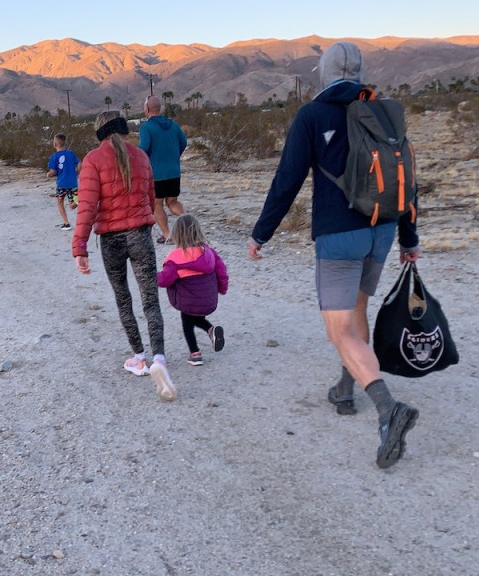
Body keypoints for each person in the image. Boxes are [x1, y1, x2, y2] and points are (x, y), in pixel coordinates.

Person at [248, 42, 421, 469]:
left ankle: (387, 408)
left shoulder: (312, 115)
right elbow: (406, 178)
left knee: (339, 331)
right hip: (382, 229)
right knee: (357, 312)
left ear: (324, 73)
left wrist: (261, 234)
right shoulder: (382, 111)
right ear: (359, 72)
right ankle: (345, 392)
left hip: (339, 236)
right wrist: (409, 238)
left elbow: (287, 180)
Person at [73, 110, 176, 402]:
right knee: (150, 299)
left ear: (100, 133)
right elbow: (150, 198)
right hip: (140, 235)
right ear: (125, 130)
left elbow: (87, 206)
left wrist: (80, 246)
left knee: (123, 298)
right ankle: (159, 359)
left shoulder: (93, 160)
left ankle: (139, 357)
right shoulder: (141, 157)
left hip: (111, 240)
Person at [157, 214, 228, 367]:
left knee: (187, 323)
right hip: (208, 299)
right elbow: (222, 271)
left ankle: (195, 354)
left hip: (188, 301)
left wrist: (151, 276)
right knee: (196, 318)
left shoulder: (175, 258)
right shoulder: (208, 252)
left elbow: (164, 280)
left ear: (176, 235)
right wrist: (222, 289)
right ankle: (211, 330)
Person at [138, 95, 187, 244]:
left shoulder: (146, 128)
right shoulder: (173, 125)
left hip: (156, 173)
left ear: (147, 109)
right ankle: (188, 225)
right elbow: (183, 142)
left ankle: (167, 235)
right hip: (174, 171)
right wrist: (174, 156)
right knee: (172, 202)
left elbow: (143, 148)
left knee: (156, 203)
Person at [46, 133, 80, 230]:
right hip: (73, 183)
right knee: (72, 204)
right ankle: (77, 201)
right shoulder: (71, 154)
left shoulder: (54, 157)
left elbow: (53, 171)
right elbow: (79, 164)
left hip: (62, 184)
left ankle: (66, 223)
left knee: (60, 202)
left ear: (55, 144)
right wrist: (78, 173)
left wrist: (49, 174)